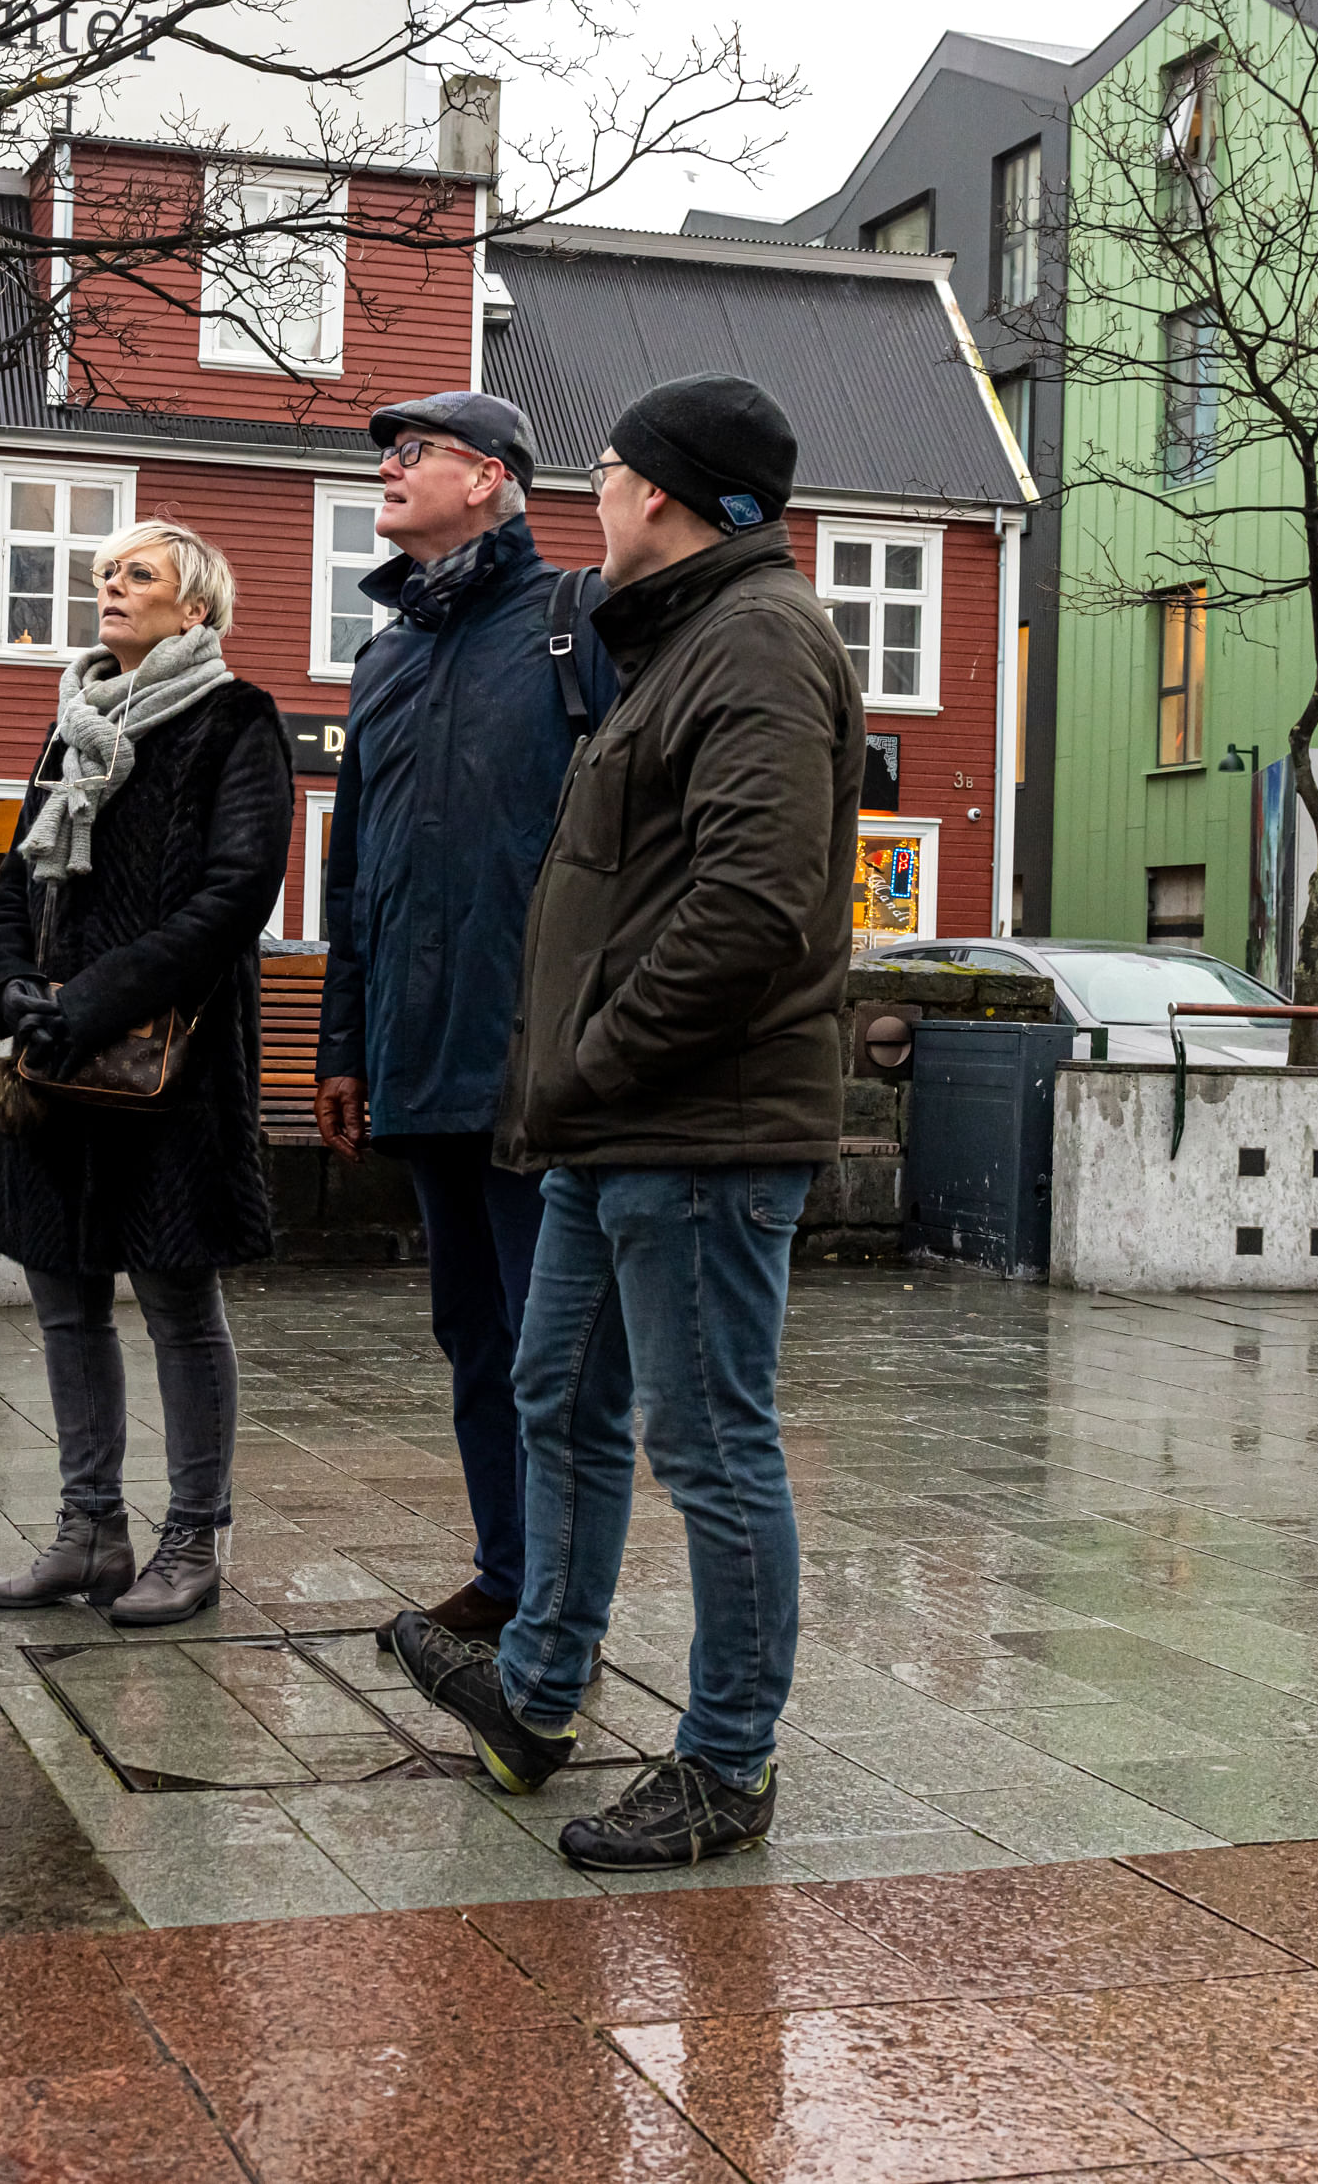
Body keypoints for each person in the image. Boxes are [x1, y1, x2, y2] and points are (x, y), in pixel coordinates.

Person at [392, 374, 863, 1870]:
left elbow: (751, 903)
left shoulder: (757, 641)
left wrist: (593, 1057)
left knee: (710, 1442)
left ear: (655, 492)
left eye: (601, 472)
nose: (586, 496)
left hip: (696, 1127)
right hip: (612, 1127)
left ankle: (726, 1761)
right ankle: (533, 1690)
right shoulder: (668, 645)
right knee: (559, 1397)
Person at [312, 388, 630, 1645]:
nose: (387, 471)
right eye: (385, 454)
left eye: (413, 452)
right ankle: (507, 1575)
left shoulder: (576, 623)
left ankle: (558, 1609)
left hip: (539, 1061)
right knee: (470, 1334)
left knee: (551, 1354)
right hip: (419, 1052)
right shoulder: (383, 656)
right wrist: (346, 1044)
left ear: (491, 478)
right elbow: (355, 870)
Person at [0, 520, 291, 1628]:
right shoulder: (75, 722)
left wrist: (88, 1001)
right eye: (105, 572)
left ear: (193, 607)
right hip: (54, 1062)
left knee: (176, 1301)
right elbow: (15, 877)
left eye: (135, 574)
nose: (109, 586)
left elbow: (234, 895)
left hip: (173, 1067)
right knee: (64, 1299)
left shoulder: (236, 720)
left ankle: (191, 1538)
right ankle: (89, 1528)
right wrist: (8, 988)